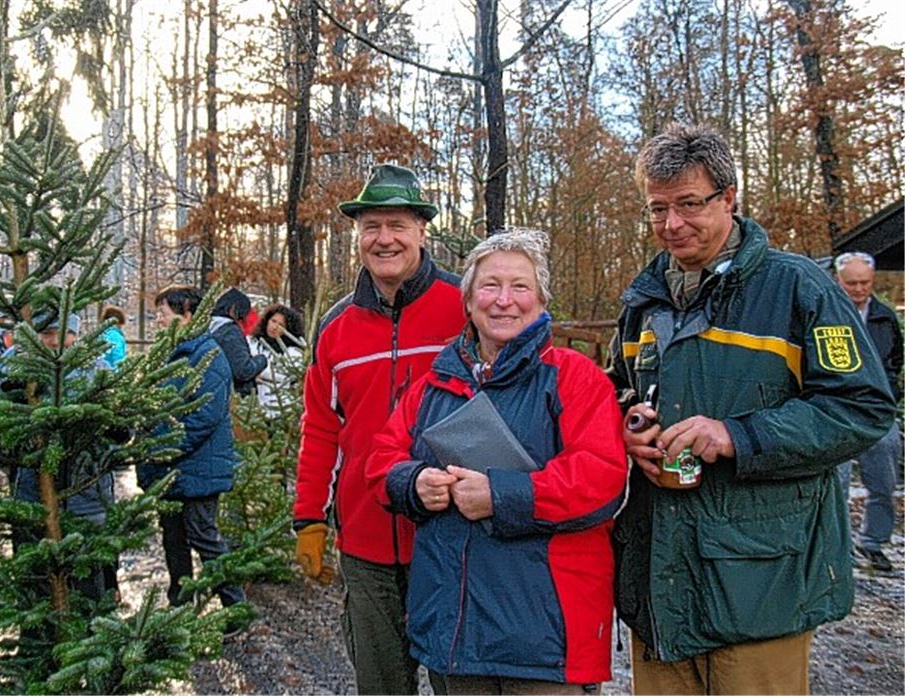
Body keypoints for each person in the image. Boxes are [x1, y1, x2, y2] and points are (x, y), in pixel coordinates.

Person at [609, 123, 896, 695]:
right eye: (658, 209)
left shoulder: (798, 288)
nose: (672, 224)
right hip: (659, 573)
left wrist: (739, 436)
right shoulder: (645, 299)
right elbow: (618, 388)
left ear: (730, 197)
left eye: (690, 204)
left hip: (760, 579)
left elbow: (861, 405)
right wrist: (627, 427)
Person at [365, 230, 627, 694]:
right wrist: (413, 482)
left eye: (520, 286)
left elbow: (602, 477)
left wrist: (501, 496)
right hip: (456, 633)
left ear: (542, 300)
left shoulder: (573, 377)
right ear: (468, 300)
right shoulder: (436, 384)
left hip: (543, 640)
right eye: (489, 286)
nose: (504, 300)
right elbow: (381, 461)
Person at [294, 163, 466, 695]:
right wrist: (308, 518)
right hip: (366, 543)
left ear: (421, 230)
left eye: (397, 224)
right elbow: (321, 429)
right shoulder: (337, 327)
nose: (384, 238)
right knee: (381, 684)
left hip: (452, 539)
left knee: (460, 682)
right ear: (358, 235)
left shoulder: (466, 308)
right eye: (372, 226)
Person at [136, 285, 246, 614]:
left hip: (196, 465)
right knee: (173, 539)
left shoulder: (207, 356)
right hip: (167, 467)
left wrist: (166, 447)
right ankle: (179, 605)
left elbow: (205, 415)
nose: (157, 321)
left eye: (163, 314)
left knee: (204, 537)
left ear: (186, 315)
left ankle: (234, 607)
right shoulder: (168, 354)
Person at [6, 312, 118, 601]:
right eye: (46, 333)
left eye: (62, 332)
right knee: (36, 586)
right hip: (34, 498)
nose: (55, 340)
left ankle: (93, 640)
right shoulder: (17, 368)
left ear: (76, 334)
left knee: (88, 586)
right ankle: (35, 643)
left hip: (87, 498)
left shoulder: (98, 370)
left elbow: (121, 429)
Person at [834, 251, 903, 572]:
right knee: (838, 482)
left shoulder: (884, 316)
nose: (859, 289)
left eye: (865, 283)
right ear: (839, 281)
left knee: (883, 481)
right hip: (835, 409)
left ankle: (874, 542)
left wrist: (887, 392)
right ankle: (840, 550)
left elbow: (894, 359)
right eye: (852, 283)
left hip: (877, 408)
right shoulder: (827, 311)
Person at [209, 287, 267, 396]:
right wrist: (262, 359)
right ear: (234, 310)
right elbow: (243, 370)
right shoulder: (229, 332)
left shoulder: (208, 327)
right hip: (235, 397)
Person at [249, 304, 306, 415]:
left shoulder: (293, 350)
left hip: (281, 408)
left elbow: (286, 374)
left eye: (281, 325)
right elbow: (242, 365)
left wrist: (257, 372)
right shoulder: (252, 342)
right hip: (254, 406)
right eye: (273, 321)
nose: (274, 327)